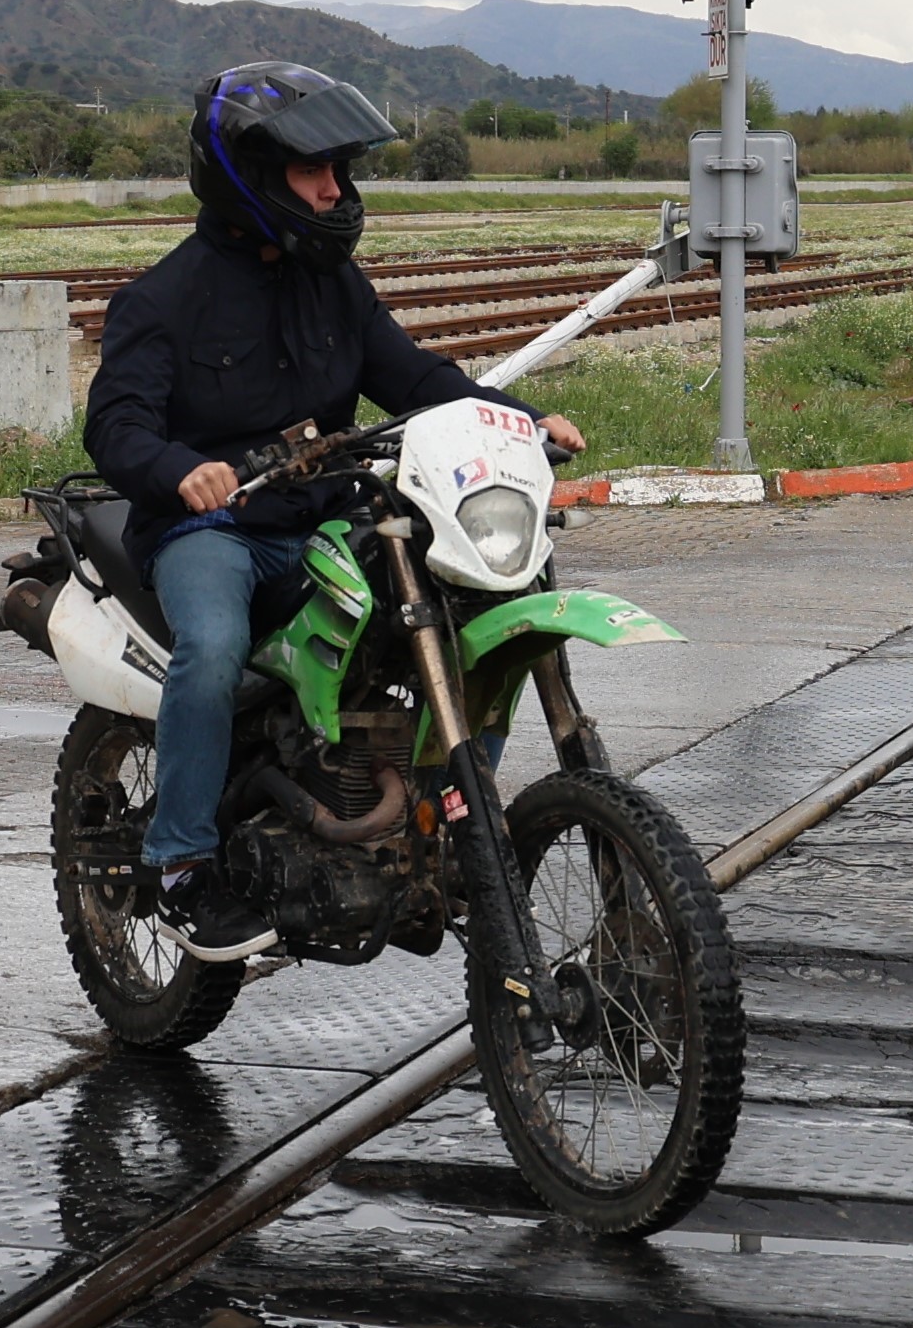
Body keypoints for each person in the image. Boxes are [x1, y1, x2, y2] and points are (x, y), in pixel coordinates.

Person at [82, 61, 580, 960]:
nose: (336, 190)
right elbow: (115, 426)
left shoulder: (334, 284)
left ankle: (441, 813)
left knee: (459, 604)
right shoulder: (163, 299)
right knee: (214, 646)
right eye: (315, 170)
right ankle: (182, 861)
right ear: (252, 177)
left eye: (340, 171)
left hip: (323, 517)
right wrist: (180, 469)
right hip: (214, 530)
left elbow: (415, 377)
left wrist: (519, 418)